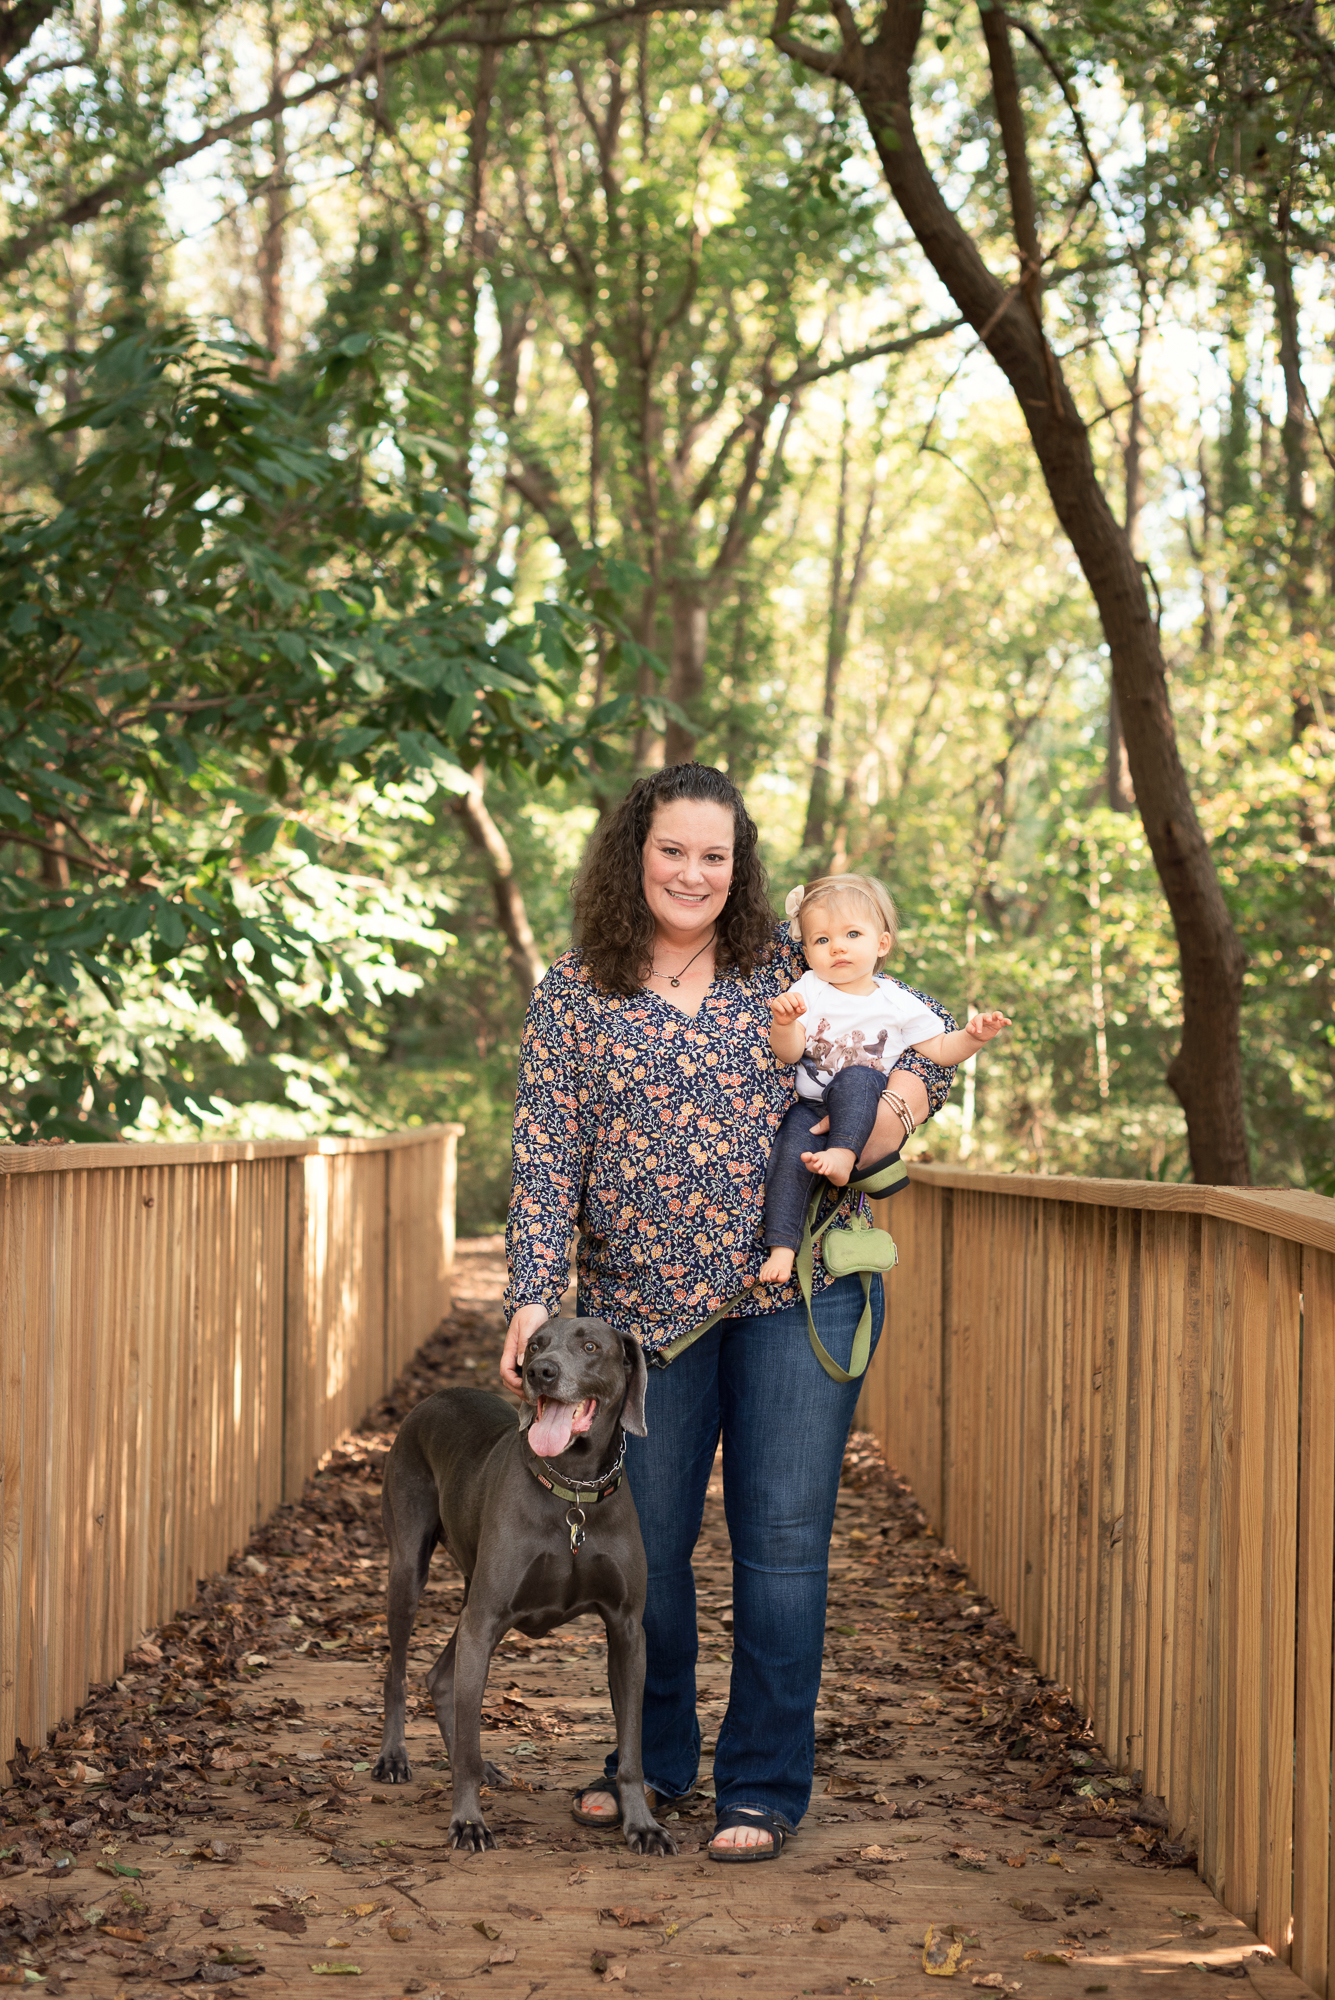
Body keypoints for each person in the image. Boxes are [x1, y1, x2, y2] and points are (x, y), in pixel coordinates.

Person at [500, 763, 958, 1861]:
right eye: (673, 850)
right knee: (642, 1546)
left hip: (798, 1297)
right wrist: (531, 1295)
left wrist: (897, 1105)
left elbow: (925, 1052)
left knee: (785, 1544)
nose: (694, 872)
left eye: (716, 854)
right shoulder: (575, 987)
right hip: (637, 1320)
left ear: (739, 864)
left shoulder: (790, 967)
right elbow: (546, 1150)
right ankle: (648, 1761)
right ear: (634, 855)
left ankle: (762, 1783)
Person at [758, 874, 1010, 1284]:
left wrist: (972, 1036)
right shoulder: (810, 988)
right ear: (806, 952)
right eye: (821, 941)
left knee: (858, 1077)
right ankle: (782, 1248)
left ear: (881, 944)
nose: (836, 946)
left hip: (860, 1103)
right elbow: (788, 1054)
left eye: (852, 934)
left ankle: (843, 1153)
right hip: (810, 1106)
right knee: (789, 1157)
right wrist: (784, 1023)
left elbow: (941, 1051)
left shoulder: (896, 1001)